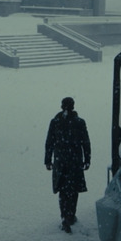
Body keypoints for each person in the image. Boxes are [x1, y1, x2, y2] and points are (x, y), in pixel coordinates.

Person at [44, 96, 91, 233]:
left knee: (63, 190)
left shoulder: (55, 122)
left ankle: (65, 216)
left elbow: (49, 142)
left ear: (61, 106)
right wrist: (87, 159)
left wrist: (48, 160)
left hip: (61, 161)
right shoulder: (79, 122)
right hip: (74, 161)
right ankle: (70, 215)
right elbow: (86, 142)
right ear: (73, 106)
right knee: (73, 189)